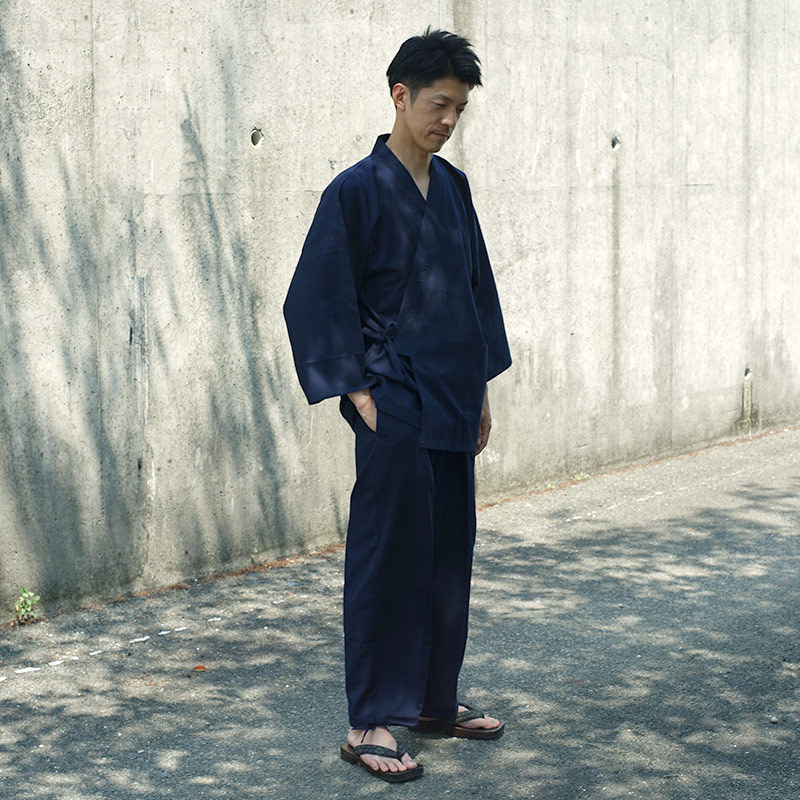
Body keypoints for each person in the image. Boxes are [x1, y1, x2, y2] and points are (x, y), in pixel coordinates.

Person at [283, 28, 512, 783]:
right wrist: (358, 391)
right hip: (392, 394)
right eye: (439, 104)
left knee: (448, 550)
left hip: (452, 393)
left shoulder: (455, 188)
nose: (448, 120)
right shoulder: (354, 190)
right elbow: (315, 294)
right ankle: (369, 720)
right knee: (389, 553)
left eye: (459, 109)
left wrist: (480, 390)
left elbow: (475, 292)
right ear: (400, 95)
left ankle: (434, 702)